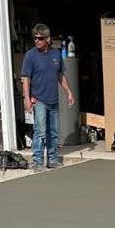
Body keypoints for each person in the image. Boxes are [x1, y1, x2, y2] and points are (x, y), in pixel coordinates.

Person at [20, 23, 74, 171]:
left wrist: (69, 92)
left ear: (48, 39)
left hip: (53, 99)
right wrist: (27, 99)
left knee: (54, 132)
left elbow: (60, 75)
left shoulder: (56, 54)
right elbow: (26, 79)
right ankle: (37, 161)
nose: (37, 41)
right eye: (35, 38)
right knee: (40, 131)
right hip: (39, 99)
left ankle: (52, 159)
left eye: (40, 38)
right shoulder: (30, 55)